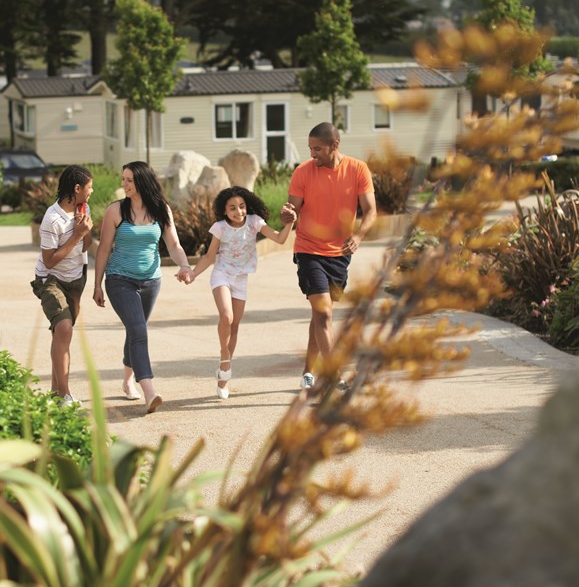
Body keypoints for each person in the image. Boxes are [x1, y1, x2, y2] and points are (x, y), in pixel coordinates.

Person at [92, 161, 193, 413]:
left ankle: (127, 381)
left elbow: (174, 244)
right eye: (123, 179)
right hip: (119, 279)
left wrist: (184, 265)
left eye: (128, 180)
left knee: (135, 330)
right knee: (138, 329)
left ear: (142, 182)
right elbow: (103, 249)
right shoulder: (115, 211)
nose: (123, 184)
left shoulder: (161, 210)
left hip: (151, 281)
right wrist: (97, 285)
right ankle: (149, 391)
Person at [284, 122, 377, 391]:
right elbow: (291, 209)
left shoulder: (358, 169)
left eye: (318, 149)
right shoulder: (303, 173)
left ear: (335, 145)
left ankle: (308, 371)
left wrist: (358, 236)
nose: (313, 154)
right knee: (324, 314)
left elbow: (370, 211)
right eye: (310, 148)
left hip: (339, 255)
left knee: (320, 314)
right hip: (308, 249)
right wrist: (288, 215)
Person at [183, 186, 296, 399]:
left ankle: (224, 378)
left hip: (241, 279)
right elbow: (209, 257)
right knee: (227, 316)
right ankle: (224, 356)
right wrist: (193, 274)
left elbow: (280, 239)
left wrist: (289, 223)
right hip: (222, 275)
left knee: (234, 327)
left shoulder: (254, 222)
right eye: (232, 208)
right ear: (224, 211)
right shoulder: (220, 227)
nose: (238, 211)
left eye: (242, 207)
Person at [30, 165, 94, 404]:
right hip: (50, 280)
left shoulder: (83, 208)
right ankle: (65, 394)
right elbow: (49, 260)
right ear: (76, 188)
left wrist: (85, 230)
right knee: (64, 328)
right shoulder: (51, 218)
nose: (92, 191)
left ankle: (56, 393)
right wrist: (77, 235)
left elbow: (86, 246)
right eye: (89, 188)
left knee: (61, 334)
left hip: (76, 279)